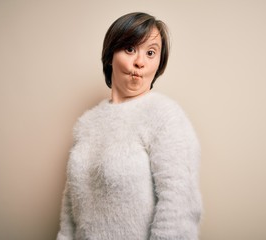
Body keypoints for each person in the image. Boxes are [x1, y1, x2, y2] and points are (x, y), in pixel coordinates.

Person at [56, 12, 202, 240]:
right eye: (130, 49)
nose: (140, 62)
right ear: (110, 55)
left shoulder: (164, 115)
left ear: (159, 63)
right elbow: (69, 212)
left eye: (151, 53)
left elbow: (179, 206)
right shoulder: (87, 123)